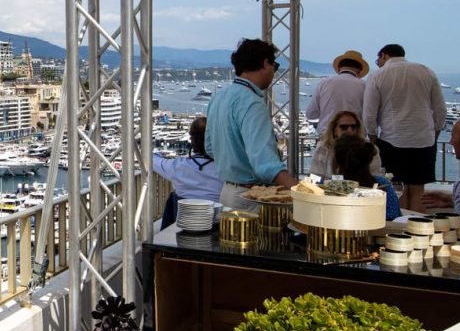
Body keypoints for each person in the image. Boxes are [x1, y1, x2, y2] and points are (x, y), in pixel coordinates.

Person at [205, 38, 299, 211]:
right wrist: (300, 191)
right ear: (265, 63)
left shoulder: (219, 97)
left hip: (227, 191)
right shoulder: (252, 102)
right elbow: (265, 163)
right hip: (252, 196)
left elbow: (210, 147)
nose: (273, 73)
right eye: (275, 66)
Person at [363, 43, 446, 213]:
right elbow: (440, 110)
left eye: (378, 59)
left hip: (392, 140)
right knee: (418, 191)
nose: (377, 63)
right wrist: (434, 134)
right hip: (424, 139)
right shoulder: (426, 71)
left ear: (384, 56)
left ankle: (400, 233)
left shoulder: (378, 75)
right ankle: (419, 232)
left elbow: (369, 114)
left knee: (397, 191)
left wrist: (373, 140)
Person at [153, 117, 222, 228]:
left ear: (192, 139)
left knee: (173, 198)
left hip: (184, 223)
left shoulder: (178, 166)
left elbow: (152, 160)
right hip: (216, 222)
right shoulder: (225, 168)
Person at [333, 135, 401, 221]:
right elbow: (395, 219)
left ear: (337, 160)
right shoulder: (383, 185)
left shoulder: (332, 188)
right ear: (369, 160)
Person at [306, 50, 368, 135]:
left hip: (327, 134)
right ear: (359, 69)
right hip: (354, 135)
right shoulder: (364, 85)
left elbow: (311, 114)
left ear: (339, 67)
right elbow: (369, 115)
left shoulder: (323, 83)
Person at [309, 110, 382, 179]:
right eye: (344, 127)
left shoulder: (369, 150)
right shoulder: (323, 149)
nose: (349, 130)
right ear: (334, 130)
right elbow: (313, 178)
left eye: (353, 127)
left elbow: (375, 178)